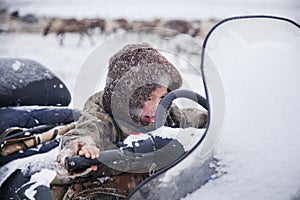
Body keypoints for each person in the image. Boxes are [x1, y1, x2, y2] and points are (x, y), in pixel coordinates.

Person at [50, 43, 208, 199]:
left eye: (162, 97)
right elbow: (88, 130)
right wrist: (81, 147)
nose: (155, 107)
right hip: (99, 192)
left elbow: (192, 119)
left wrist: (216, 120)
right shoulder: (102, 117)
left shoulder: (166, 114)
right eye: (147, 98)